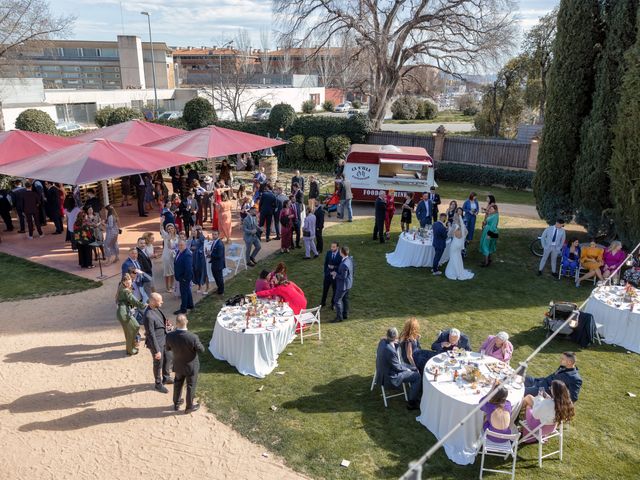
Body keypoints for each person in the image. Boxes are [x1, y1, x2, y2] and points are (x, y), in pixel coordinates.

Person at [166, 314, 204, 414]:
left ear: (176, 323)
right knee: (191, 385)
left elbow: (168, 348)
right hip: (191, 366)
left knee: (178, 383)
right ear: (186, 321)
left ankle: (176, 403)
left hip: (178, 365)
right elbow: (201, 350)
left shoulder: (170, 336)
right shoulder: (193, 337)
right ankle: (189, 407)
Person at [376, 327, 422, 410]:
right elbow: (397, 367)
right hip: (390, 377)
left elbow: (391, 342)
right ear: (395, 337)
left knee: (414, 369)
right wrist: (408, 369)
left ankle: (414, 391)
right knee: (417, 376)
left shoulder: (382, 342)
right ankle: (412, 403)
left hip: (381, 371)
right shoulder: (390, 351)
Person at [143, 293, 174, 393]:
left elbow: (161, 321)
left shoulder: (156, 309)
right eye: (160, 300)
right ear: (153, 301)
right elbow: (151, 335)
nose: (162, 302)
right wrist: (157, 351)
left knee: (168, 358)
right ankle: (158, 384)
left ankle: (166, 377)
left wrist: (167, 325)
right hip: (157, 344)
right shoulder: (148, 316)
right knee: (158, 364)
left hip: (165, 340)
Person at [115, 273, 146, 355]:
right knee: (135, 327)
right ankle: (130, 349)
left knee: (129, 330)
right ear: (124, 282)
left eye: (130, 282)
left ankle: (131, 348)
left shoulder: (121, 287)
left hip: (122, 312)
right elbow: (133, 300)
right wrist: (143, 305)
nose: (129, 284)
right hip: (124, 313)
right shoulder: (126, 291)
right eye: (127, 283)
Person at [445, 209, 474, 280]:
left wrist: (449, 226)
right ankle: (459, 270)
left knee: (453, 257)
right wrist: (462, 237)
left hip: (455, 244)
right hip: (459, 243)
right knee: (458, 257)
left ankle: (453, 271)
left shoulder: (455, 225)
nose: (453, 218)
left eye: (454, 217)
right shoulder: (462, 225)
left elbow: (449, 234)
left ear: (456, 218)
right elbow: (466, 232)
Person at [332, 246, 354, 323]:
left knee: (337, 300)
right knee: (345, 299)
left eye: (340, 251)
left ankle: (339, 317)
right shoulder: (350, 259)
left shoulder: (344, 264)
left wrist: (335, 274)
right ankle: (345, 314)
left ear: (342, 253)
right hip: (348, 284)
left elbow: (343, 276)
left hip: (343, 285)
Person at [174, 239, 194, 315]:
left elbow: (188, 268)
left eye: (182, 245)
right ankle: (190, 305)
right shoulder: (179, 252)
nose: (180, 246)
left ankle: (183, 309)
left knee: (184, 293)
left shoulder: (187, 254)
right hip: (181, 276)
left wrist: (184, 278)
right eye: (179, 245)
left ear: (185, 245)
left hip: (184, 277)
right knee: (187, 290)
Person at [321, 242, 341, 307]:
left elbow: (341, 266)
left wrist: (334, 267)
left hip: (335, 275)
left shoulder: (340, 255)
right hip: (327, 274)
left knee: (335, 290)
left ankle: (333, 304)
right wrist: (325, 272)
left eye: (334, 247)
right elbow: (326, 263)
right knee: (325, 289)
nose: (332, 248)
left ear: (337, 247)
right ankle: (323, 302)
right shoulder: (329, 253)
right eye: (331, 246)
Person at [160, 222, 178, 293]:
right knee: (167, 273)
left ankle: (172, 285)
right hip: (167, 257)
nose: (170, 230)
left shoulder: (177, 237)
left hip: (174, 257)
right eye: (168, 229)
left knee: (173, 272)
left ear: (174, 229)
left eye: (171, 228)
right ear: (167, 230)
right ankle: (167, 287)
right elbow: (161, 229)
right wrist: (161, 222)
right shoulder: (165, 236)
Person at [190, 227, 208, 295]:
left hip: (201, 258)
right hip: (194, 257)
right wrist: (192, 248)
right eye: (192, 231)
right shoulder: (193, 238)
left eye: (194, 231)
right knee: (196, 271)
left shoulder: (202, 238)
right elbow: (190, 246)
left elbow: (204, 247)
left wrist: (196, 248)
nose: (193, 232)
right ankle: (199, 286)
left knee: (203, 271)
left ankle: (207, 287)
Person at [209, 229, 225, 295]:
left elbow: (219, 255)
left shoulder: (220, 244)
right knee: (216, 277)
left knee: (219, 278)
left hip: (218, 264)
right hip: (214, 263)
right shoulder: (215, 241)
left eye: (215, 234)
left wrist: (211, 254)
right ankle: (219, 289)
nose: (213, 236)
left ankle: (221, 292)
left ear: (218, 235)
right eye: (213, 234)